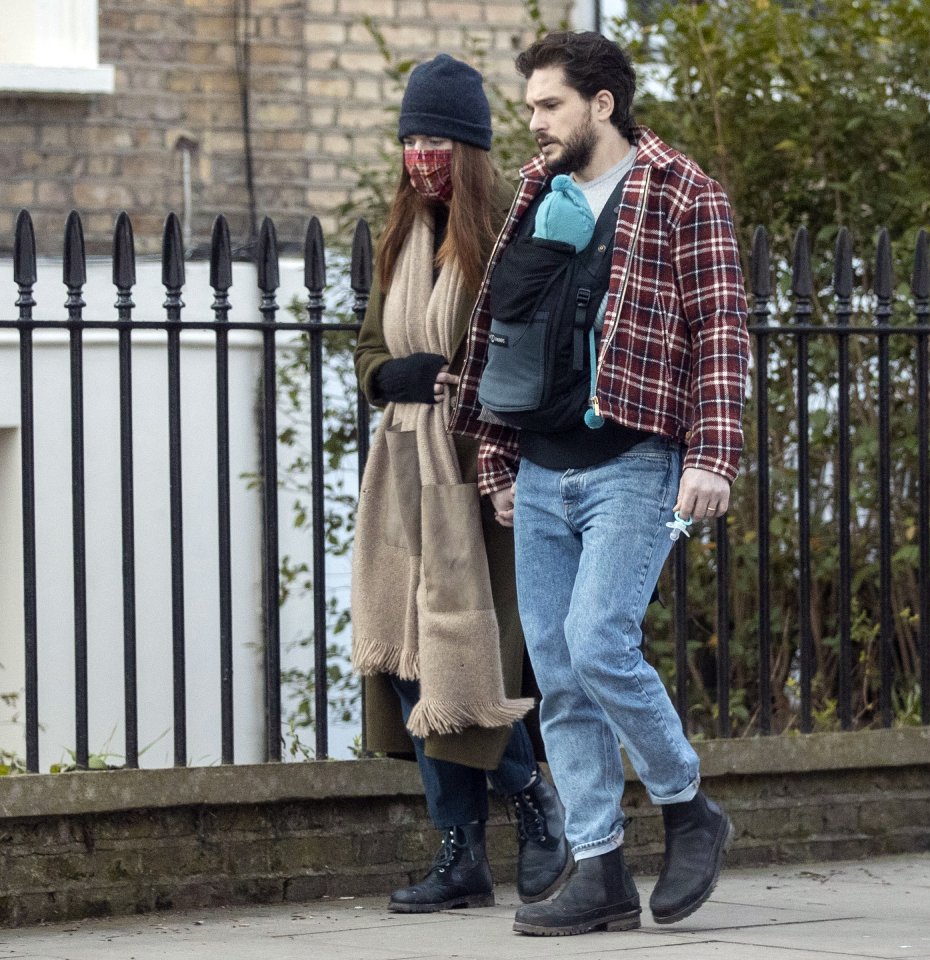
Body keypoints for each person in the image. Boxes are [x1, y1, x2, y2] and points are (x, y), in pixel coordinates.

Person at [449, 32, 750, 936]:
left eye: (549, 105)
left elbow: (722, 330)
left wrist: (712, 455)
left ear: (601, 104)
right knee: (558, 674)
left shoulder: (681, 192)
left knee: (597, 641)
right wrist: (498, 461)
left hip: (636, 461)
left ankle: (689, 805)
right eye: (533, 106)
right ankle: (599, 867)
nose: (534, 123)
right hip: (541, 468)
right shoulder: (539, 194)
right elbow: (504, 327)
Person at [350, 53, 570, 915]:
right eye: (411, 137)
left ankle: (529, 803)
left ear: (470, 147)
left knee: (461, 658)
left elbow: (523, 357)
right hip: (401, 477)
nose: (421, 153)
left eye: (437, 136)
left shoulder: (501, 237)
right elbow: (369, 352)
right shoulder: (398, 236)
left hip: (480, 479)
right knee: (405, 657)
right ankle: (466, 853)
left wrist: (463, 389)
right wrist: (397, 376)